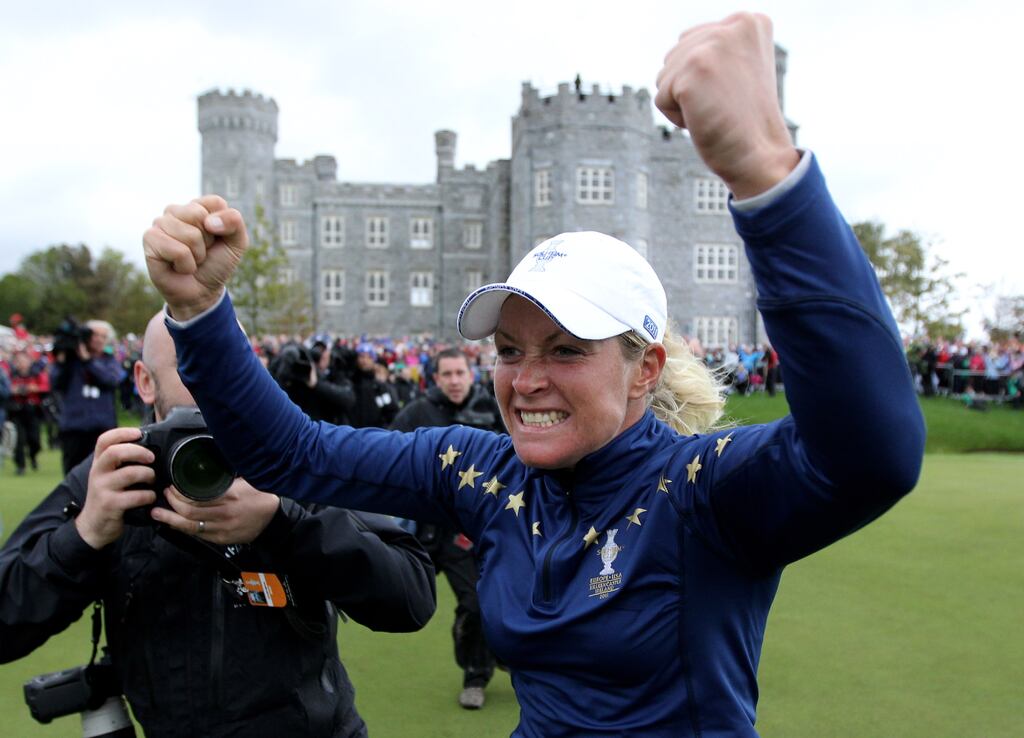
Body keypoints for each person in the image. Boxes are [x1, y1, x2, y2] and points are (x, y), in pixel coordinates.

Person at [142, 13, 926, 737]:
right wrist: (203, 310)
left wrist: (766, 175)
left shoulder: (702, 491)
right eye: (511, 350)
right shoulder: (480, 471)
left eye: (567, 348)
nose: (527, 378)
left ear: (645, 367)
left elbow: (870, 454)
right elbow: (293, 456)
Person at [0, 312, 436, 738]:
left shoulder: (294, 457)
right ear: (145, 381)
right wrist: (84, 535)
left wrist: (283, 522)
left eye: (229, 364)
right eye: (191, 365)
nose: (213, 383)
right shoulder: (115, 473)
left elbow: (411, 595)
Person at [391, 347, 502, 709]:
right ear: (435, 378)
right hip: (419, 530)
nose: (455, 381)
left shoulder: (492, 409)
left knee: (476, 601)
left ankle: (476, 674)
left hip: (466, 533)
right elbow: (389, 456)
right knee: (394, 597)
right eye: (447, 375)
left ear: (472, 373)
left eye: (460, 373)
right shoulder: (417, 413)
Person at [50, 318, 122, 473]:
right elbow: (55, 383)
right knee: (73, 473)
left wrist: (87, 361)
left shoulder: (108, 360)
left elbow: (111, 380)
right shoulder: (71, 362)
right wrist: (62, 360)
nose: (99, 340)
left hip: (102, 426)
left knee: (104, 473)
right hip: (74, 427)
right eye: (95, 335)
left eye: (103, 336)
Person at [7, 348, 51, 475]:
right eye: (18, 361)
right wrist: (13, 390)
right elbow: (6, 388)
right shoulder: (12, 374)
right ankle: (20, 465)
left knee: (34, 439)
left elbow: (46, 388)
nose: (21, 363)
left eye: (24, 360)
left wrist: (34, 388)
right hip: (16, 410)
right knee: (19, 440)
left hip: (32, 410)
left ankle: (33, 456)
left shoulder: (36, 374)